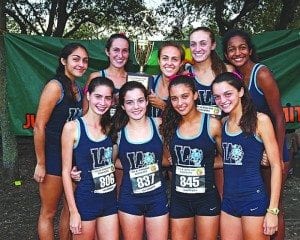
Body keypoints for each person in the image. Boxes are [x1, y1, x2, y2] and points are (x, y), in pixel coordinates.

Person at [222, 29, 289, 240]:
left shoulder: (262, 74)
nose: (237, 53)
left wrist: (275, 155)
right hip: (251, 150)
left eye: (242, 47)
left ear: (250, 50)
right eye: (231, 49)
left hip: (270, 146)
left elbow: (279, 117)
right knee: (256, 201)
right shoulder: (233, 78)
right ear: (225, 54)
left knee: (273, 204)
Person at [211, 72, 282, 240]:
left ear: (241, 92)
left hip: (253, 199)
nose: (223, 100)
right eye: (217, 97)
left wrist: (273, 211)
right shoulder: (222, 124)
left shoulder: (261, 121)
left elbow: (276, 166)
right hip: (229, 202)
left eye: (228, 94)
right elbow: (228, 160)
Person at [33, 43, 89, 239]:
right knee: (49, 213)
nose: (81, 64)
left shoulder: (79, 89)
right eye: (76, 59)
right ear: (63, 61)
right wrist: (41, 162)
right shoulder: (55, 87)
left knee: (70, 209)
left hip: (72, 158)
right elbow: (39, 126)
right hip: (53, 158)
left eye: (84, 60)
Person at [160, 75, 222, 240]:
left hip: (207, 199)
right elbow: (169, 160)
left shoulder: (212, 125)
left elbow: (227, 158)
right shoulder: (169, 126)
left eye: (185, 96)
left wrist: (205, 165)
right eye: (174, 98)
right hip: (179, 200)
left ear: (195, 95)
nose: (180, 103)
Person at [110, 81, 169, 240]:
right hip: (130, 200)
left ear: (147, 101)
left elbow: (168, 158)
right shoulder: (118, 131)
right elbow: (107, 162)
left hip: (157, 198)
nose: (136, 106)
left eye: (140, 100)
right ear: (122, 106)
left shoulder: (158, 124)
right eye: (129, 102)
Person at [61, 77, 118, 239]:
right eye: (98, 97)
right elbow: (65, 171)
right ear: (88, 96)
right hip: (86, 200)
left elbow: (112, 162)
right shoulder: (72, 128)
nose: (102, 102)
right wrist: (73, 212)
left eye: (107, 98)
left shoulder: (110, 127)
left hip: (109, 201)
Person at [188, 26, 234, 197]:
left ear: (213, 45)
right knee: (197, 200)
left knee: (225, 196)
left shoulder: (227, 71)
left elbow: (239, 106)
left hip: (223, 139)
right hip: (197, 142)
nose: (197, 49)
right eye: (193, 44)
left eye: (203, 43)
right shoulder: (186, 74)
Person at [82, 33, 130, 113]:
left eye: (124, 51)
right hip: (100, 125)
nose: (120, 55)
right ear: (107, 52)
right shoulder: (95, 77)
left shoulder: (133, 79)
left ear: (128, 54)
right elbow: (85, 110)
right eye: (116, 50)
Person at [148, 41, 185, 118]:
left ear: (181, 63)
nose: (169, 63)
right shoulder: (149, 81)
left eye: (174, 59)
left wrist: (163, 105)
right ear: (159, 61)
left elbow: (188, 118)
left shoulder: (185, 87)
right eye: (165, 58)